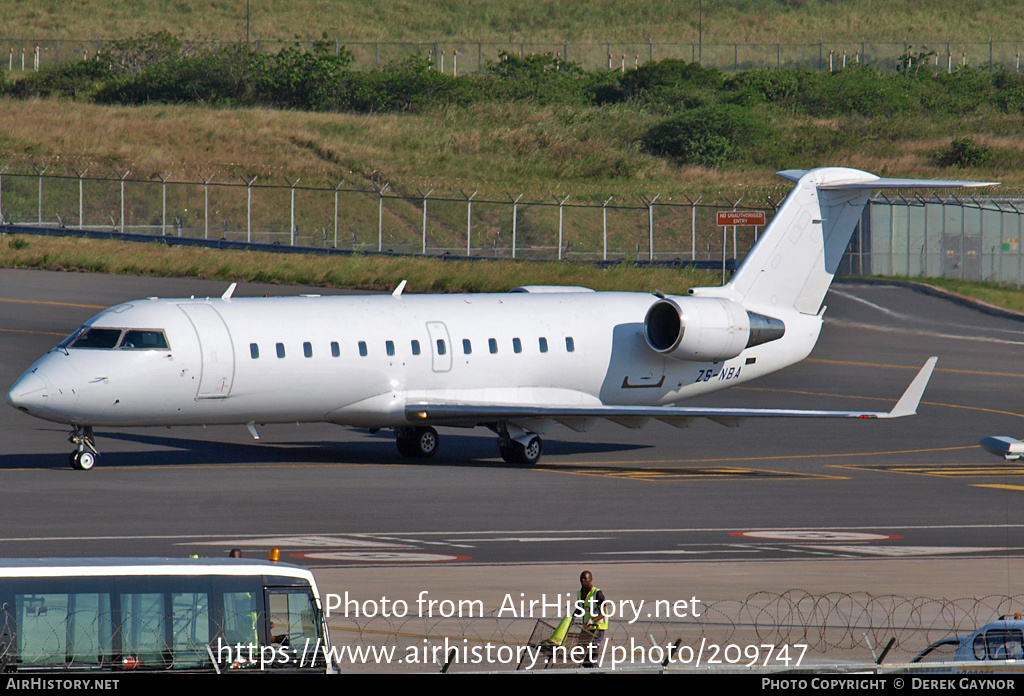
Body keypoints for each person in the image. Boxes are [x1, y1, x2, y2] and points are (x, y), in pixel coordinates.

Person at [575, 570, 608, 667]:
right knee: (583, 657)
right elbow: (580, 609)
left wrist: (593, 620)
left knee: (592, 657)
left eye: (585, 578)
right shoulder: (580, 593)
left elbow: (603, 612)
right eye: (581, 578)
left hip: (598, 627)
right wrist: (571, 617)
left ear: (591, 580)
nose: (583, 580)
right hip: (587, 628)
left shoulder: (597, 593)